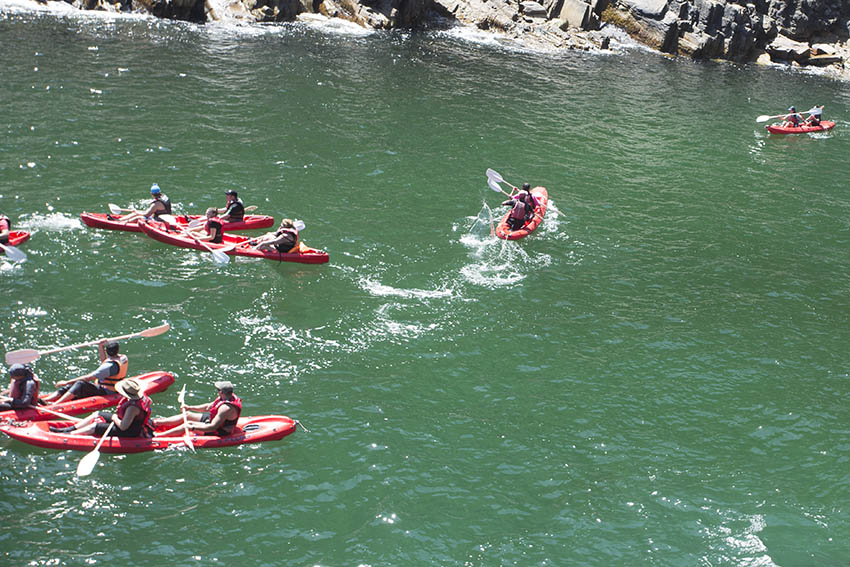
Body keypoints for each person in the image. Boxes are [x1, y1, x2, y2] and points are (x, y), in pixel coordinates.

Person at [50, 378, 153, 437]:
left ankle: (69, 434)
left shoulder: (132, 408)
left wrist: (114, 418)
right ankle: (68, 429)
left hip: (130, 431)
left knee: (94, 427)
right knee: (97, 414)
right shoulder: (142, 397)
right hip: (126, 422)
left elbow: (123, 427)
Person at [40, 340, 128, 404]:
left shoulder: (108, 367)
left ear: (107, 351)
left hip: (108, 391)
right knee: (72, 385)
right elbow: (105, 362)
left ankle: (56, 404)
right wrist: (100, 346)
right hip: (109, 386)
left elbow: (88, 378)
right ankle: (46, 400)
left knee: (80, 384)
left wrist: (66, 382)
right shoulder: (122, 358)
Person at [154, 380, 242, 437]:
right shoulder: (226, 397)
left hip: (219, 430)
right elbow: (208, 407)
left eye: (218, 390)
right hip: (212, 420)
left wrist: (192, 427)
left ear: (221, 392)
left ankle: (159, 436)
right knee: (187, 414)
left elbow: (213, 427)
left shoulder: (225, 408)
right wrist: (189, 407)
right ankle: (156, 423)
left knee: (187, 424)